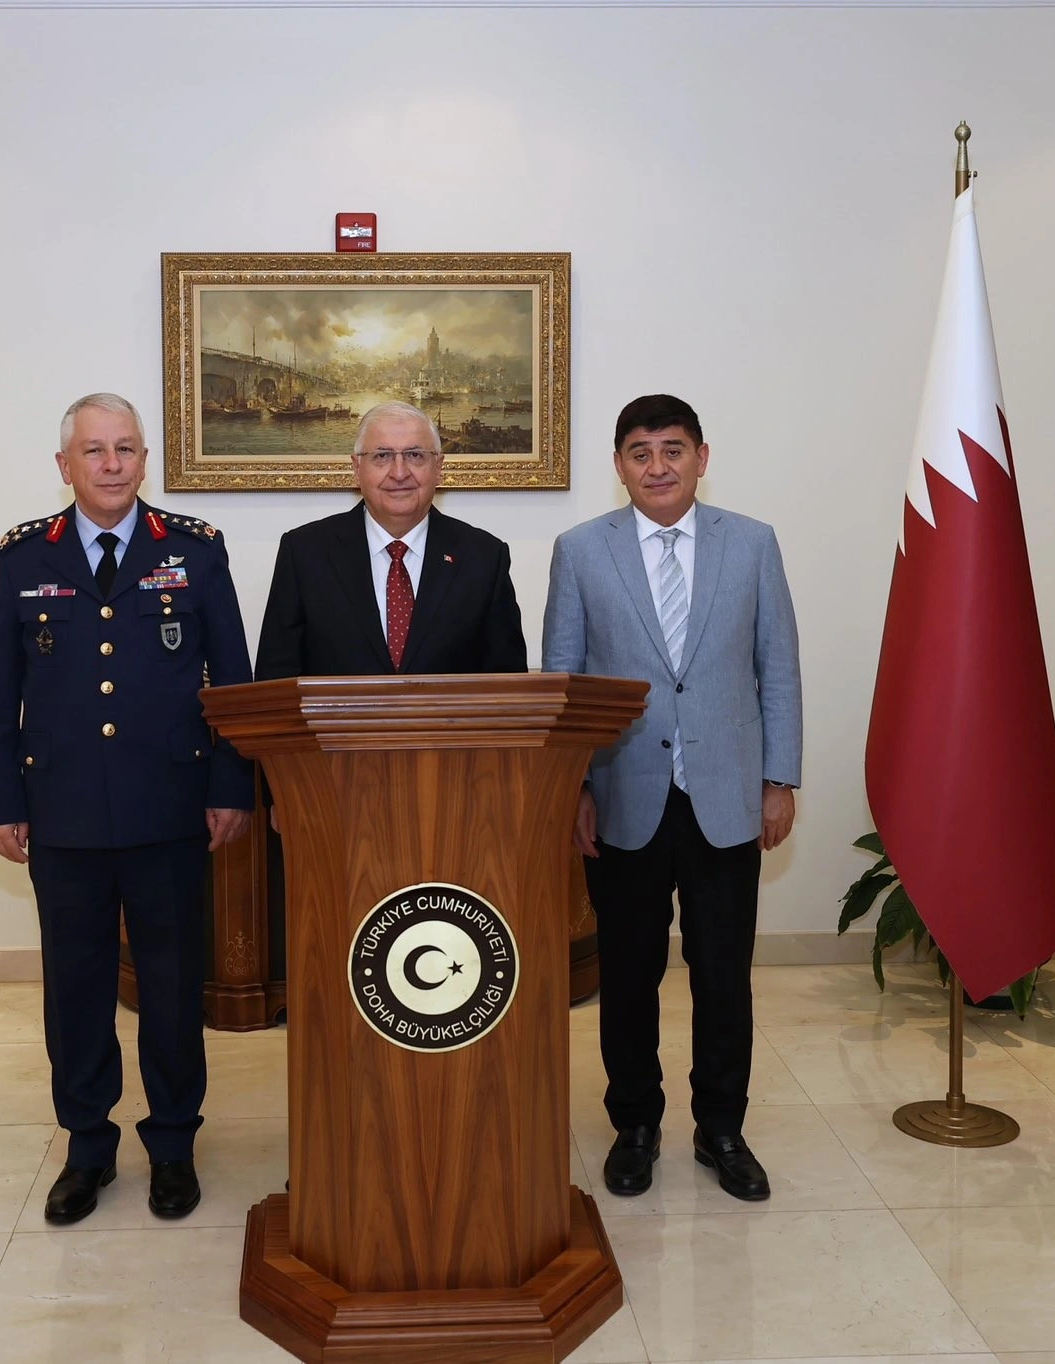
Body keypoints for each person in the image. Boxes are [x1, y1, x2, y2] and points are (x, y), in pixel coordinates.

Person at [0, 392, 254, 1225]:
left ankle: (172, 1145)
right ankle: (88, 1146)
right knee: (76, 990)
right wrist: (0, 798)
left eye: (126, 448)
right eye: (94, 450)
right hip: (61, 812)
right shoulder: (24, 555)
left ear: (144, 461)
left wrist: (230, 786)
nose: (111, 464)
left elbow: (232, 682)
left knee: (172, 988)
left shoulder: (194, 550)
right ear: (65, 464)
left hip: (169, 808)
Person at [541, 393, 802, 1201]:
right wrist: (573, 788)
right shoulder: (581, 551)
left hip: (726, 796)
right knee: (628, 974)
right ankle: (635, 1125)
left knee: (723, 974)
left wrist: (779, 779)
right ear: (619, 466)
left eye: (673, 449)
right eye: (640, 452)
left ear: (701, 457)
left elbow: (778, 667)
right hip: (624, 797)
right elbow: (564, 682)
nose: (658, 466)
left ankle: (721, 1128)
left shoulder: (751, 544)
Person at [254, 400, 528, 680]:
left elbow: (508, 686)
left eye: (415, 455)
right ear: (357, 468)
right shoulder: (304, 554)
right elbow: (275, 683)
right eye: (382, 456)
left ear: (438, 467)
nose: (399, 473)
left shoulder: (484, 558)